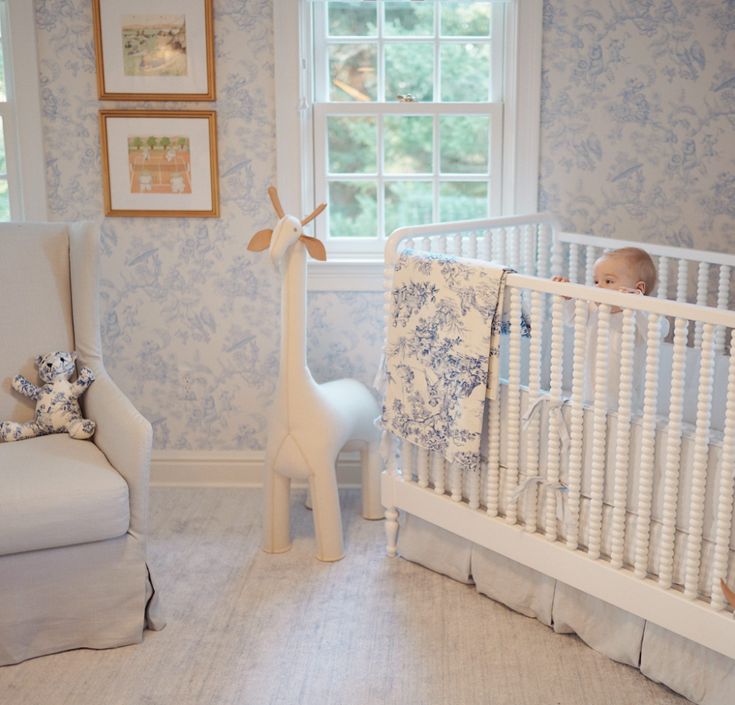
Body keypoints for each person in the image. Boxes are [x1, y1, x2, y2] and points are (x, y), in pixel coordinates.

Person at [552, 247, 668, 412]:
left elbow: (658, 332)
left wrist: (638, 306)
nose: (599, 288)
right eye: (596, 281)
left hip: (623, 405)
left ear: (639, 289)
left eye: (608, 281)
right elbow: (571, 318)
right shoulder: (592, 307)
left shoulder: (640, 317)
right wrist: (567, 298)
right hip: (587, 397)